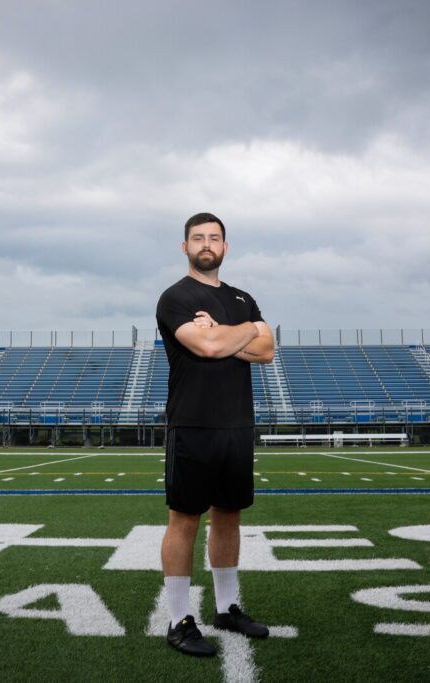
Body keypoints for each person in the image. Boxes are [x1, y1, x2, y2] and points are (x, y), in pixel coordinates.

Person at [155, 212, 275, 657]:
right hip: (192, 424)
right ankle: (178, 620)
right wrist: (246, 332)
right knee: (184, 519)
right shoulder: (175, 297)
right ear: (184, 246)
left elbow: (268, 351)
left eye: (215, 237)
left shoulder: (243, 297)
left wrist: (227, 332)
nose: (207, 244)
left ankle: (226, 608)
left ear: (226, 246)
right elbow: (206, 347)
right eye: (198, 237)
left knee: (229, 515)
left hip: (237, 425)